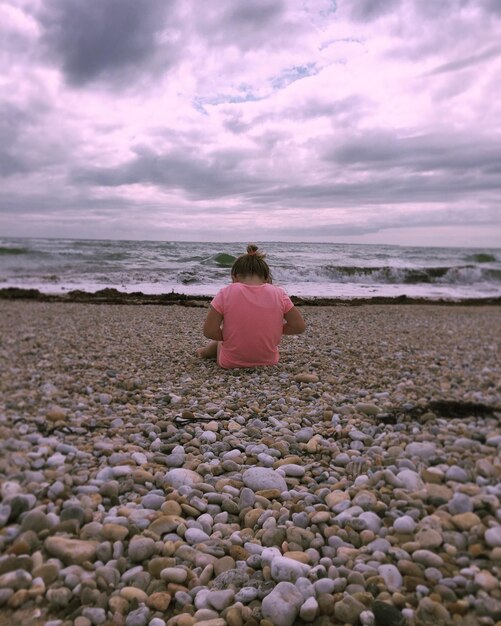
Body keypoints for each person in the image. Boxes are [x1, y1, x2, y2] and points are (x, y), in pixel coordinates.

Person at [198, 244, 305, 368]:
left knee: (218, 343)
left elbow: (209, 331)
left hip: (230, 362)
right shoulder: (279, 293)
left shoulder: (226, 292)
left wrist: (231, 336)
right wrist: (272, 330)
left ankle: (203, 352)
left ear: (234, 277)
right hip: (269, 361)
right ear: (266, 278)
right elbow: (299, 326)